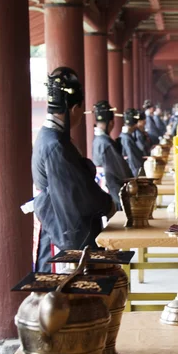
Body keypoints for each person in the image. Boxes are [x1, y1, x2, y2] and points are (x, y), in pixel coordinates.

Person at [32, 68, 115, 273]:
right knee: (66, 300)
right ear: (75, 108)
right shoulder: (56, 145)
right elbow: (78, 193)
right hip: (61, 230)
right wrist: (107, 204)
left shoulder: (49, 137)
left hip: (59, 222)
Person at [92, 100, 132, 209]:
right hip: (112, 190)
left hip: (103, 188)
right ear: (111, 123)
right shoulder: (106, 144)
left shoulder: (97, 140)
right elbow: (122, 172)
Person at [119, 108, 145, 177]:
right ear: (135, 124)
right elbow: (133, 160)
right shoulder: (126, 139)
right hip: (131, 171)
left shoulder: (124, 136)